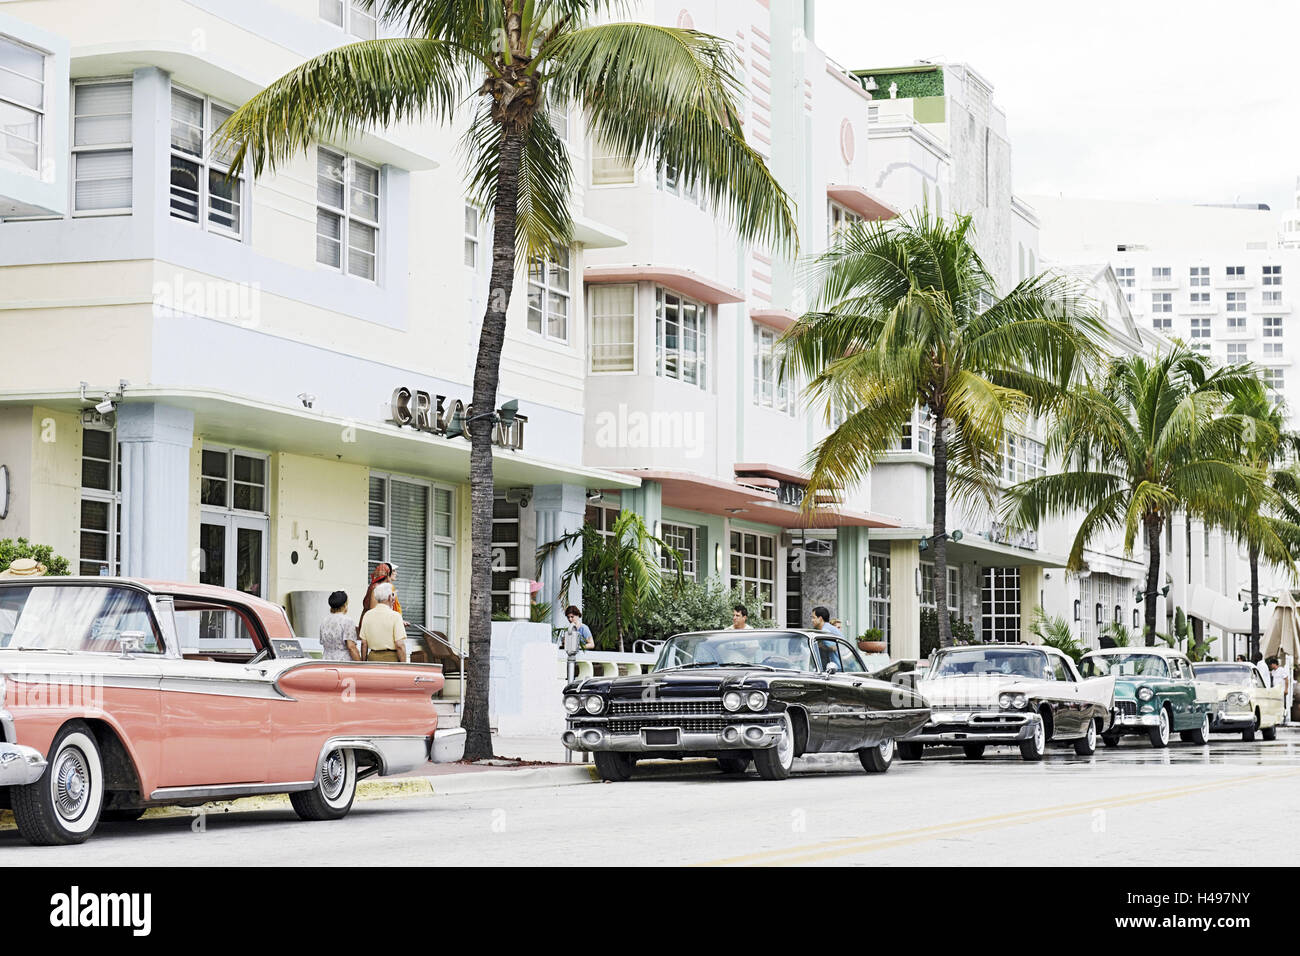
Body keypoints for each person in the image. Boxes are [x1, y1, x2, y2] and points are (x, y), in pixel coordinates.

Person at [359, 582, 408, 662]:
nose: (394, 598)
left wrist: (363, 663)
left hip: (372, 659)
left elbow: (364, 643)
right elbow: (399, 645)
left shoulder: (367, 615)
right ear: (389, 597)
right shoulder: (395, 616)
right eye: (392, 595)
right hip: (391, 660)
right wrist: (404, 665)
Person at [319, 590, 360, 662]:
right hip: (342, 662)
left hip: (326, 661)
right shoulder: (347, 621)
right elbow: (351, 647)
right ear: (345, 604)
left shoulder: (324, 621)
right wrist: (359, 664)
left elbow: (323, 642)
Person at [358, 562, 401, 631]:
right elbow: (373, 611)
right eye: (393, 571)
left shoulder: (384, 587)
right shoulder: (376, 587)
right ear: (387, 574)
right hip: (374, 625)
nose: (396, 573)